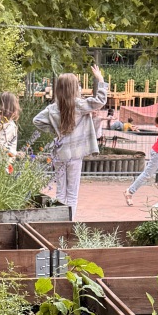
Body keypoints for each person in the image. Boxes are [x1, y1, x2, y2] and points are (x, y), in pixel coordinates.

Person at [32, 62, 107, 216]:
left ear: (59, 89)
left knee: (60, 193)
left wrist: (55, 129)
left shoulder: (52, 109)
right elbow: (100, 101)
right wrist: (100, 79)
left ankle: (59, 222)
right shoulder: (80, 105)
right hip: (76, 154)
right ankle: (68, 225)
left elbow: (36, 120)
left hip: (59, 153)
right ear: (74, 88)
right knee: (72, 194)